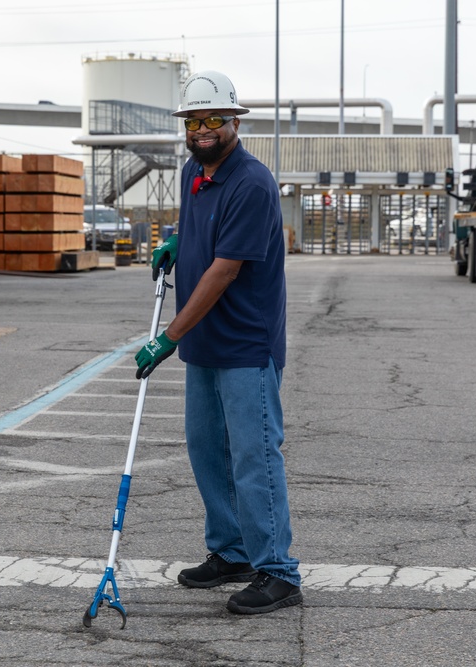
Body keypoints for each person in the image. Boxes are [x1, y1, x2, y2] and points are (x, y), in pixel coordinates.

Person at [134, 70, 302, 615]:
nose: (203, 129)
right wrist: (178, 242)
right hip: (205, 346)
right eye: (194, 120)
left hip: (245, 345)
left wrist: (167, 337)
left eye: (214, 120)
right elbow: (198, 223)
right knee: (208, 452)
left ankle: (277, 569)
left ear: (234, 121)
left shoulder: (252, 182)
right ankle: (231, 552)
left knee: (254, 457)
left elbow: (225, 271)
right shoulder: (193, 172)